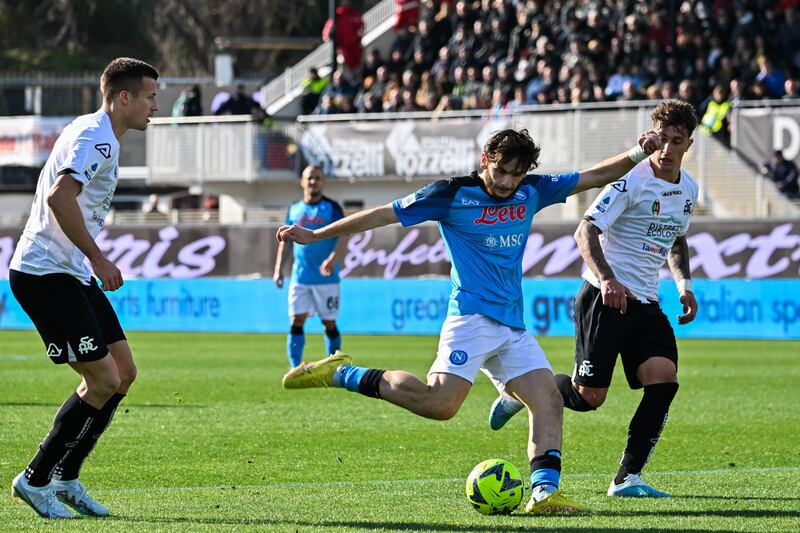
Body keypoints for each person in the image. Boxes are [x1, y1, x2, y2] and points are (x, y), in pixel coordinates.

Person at [278, 127, 662, 514]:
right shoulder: (450, 194)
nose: (509, 182)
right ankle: (341, 372)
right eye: (502, 172)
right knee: (440, 405)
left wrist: (636, 151)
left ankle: (544, 494)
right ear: (485, 161)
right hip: (471, 318)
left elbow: (593, 176)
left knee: (548, 399)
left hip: (512, 324)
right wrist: (316, 235)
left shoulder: (532, 190)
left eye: (517, 174)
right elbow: (382, 214)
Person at [489, 100, 700, 499]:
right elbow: (584, 231)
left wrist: (684, 285)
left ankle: (627, 477)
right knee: (589, 399)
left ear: (689, 143)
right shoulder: (630, 180)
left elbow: (676, 237)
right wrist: (607, 279)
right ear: (652, 137)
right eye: (662, 140)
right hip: (603, 298)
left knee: (664, 378)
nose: (667, 149)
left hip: (646, 302)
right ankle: (522, 390)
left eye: (677, 141)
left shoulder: (688, 188)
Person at [9, 57, 159, 519]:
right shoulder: (99, 141)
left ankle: (67, 476)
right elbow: (59, 196)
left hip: (70, 272)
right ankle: (35, 479)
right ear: (124, 97)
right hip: (45, 273)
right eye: (151, 97)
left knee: (124, 372)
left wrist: (87, 262)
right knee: (102, 379)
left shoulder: (93, 130)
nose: (156, 106)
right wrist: (98, 256)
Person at [273, 165, 346, 368]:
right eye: (310, 178)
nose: (313, 181)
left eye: (317, 178)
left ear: (323, 182)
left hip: (327, 278)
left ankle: (333, 367)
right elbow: (284, 240)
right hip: (301, 277)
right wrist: (278, 268)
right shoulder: (294, 209)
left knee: (328, 323)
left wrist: (333, 258)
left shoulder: (332, 208)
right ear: (302, 182)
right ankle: (295, 367)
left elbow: (345, 233)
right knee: (297, 320)